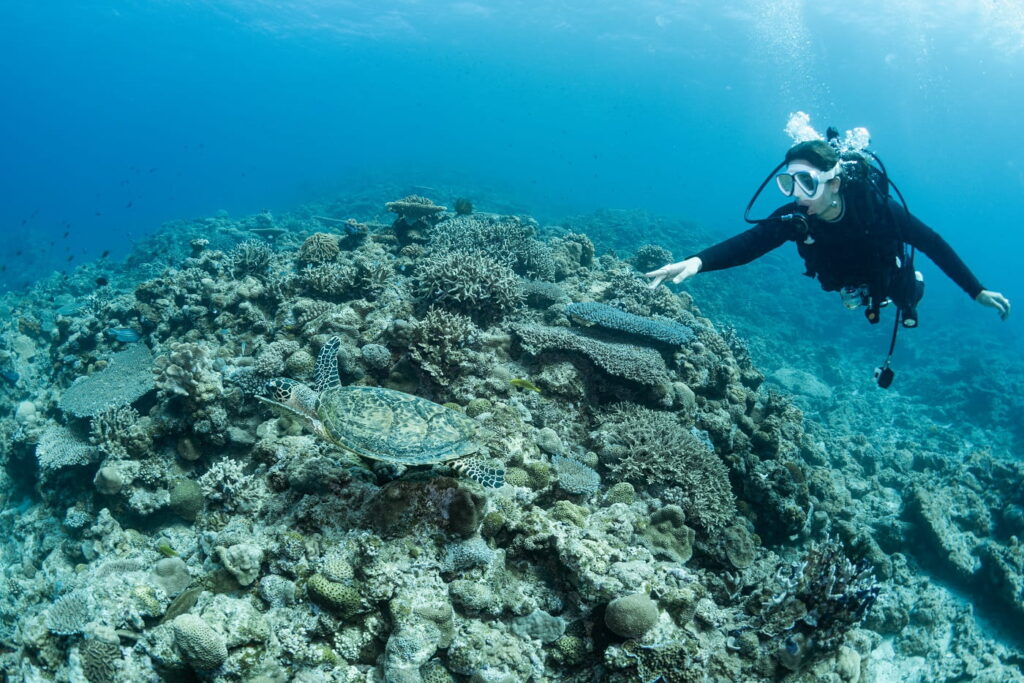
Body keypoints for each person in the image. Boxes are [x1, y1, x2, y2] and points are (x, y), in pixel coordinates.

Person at [645, 138, 1011, 326]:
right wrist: (697, 262)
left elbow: (931, 242)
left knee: (904, 295)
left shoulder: (876, 208)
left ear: (834, 182)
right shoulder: (797, 217)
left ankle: (906, 283)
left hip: (882, 267)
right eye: (788, 183)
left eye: (806, 182)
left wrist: (975, 290)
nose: (796, 194)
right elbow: (751, 244)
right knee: (846, 287)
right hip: (840, 276)